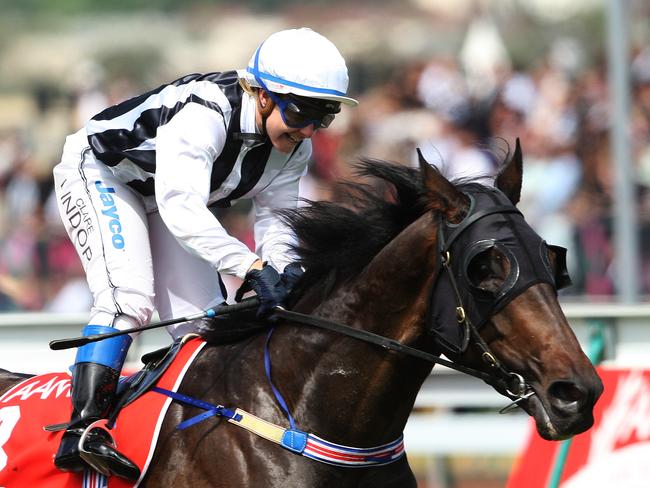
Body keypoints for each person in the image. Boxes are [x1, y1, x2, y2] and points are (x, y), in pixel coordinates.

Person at [52, 27, 357, 480]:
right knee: (128, 299)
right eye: (302, 112)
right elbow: (181, 207)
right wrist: (251, 267)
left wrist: (283, 268)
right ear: (264, 96)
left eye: (324, 117)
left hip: (166, 196)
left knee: (203, 321)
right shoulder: (206, 112)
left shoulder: (294, 147)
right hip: (103, 175)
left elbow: (276, 220)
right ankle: (81, 431)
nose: (310, 129)